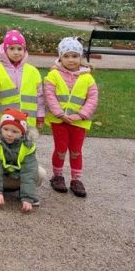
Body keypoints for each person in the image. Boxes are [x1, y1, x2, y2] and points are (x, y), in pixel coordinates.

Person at [44, 37, 98, 198]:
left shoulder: (87, 78)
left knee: (76, 151)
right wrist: (60, 114)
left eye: (75, 56)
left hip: (79, 121)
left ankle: (76, 179)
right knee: (60, 149)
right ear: (60, 57)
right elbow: (49, 95)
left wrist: (80, 115)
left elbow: (92, 98)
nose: (71, 60)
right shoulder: (53, 75)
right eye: (66, 56)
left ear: (81, 57)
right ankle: (57, 176)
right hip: (59, 120)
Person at [0, 108, 46, 212]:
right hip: (1, 178)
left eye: (15, 131)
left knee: (40, 172)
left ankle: (25, 194)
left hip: (18, 181)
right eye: (5, 129)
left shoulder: (28, 146)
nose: (9, 134)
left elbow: (29, 171)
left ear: (22, 133)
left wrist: (27, 198)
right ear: (0, 128)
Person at [0, 30, 43, 131]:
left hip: (28, 121)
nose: (16, 52)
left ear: (24, 50)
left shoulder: (33, 71)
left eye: (19, 49)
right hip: (5, 121)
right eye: (11, 48)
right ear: (5, 50)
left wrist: (40, 116)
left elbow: (40, 96)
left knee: (27, 141)